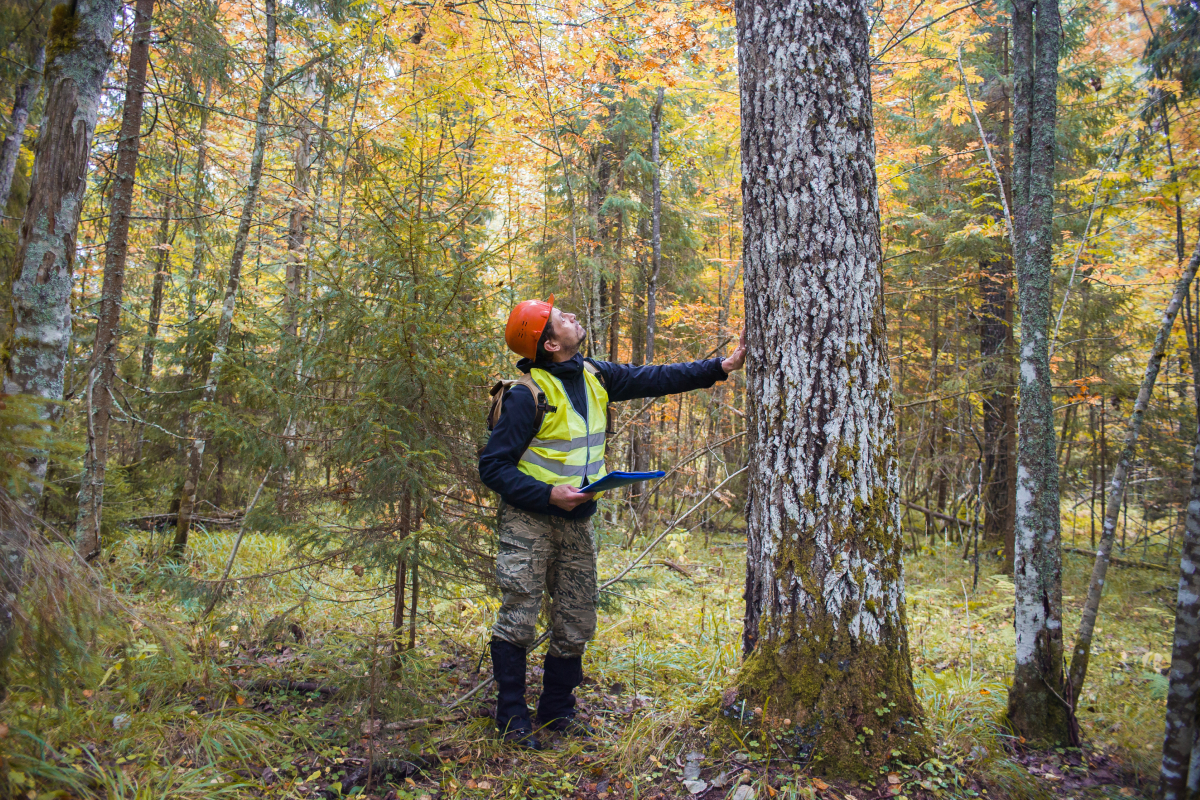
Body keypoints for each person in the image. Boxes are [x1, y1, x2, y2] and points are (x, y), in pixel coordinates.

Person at [478, 295, 746, 748]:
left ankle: (558, 713)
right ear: (549, 345)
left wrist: (721, 366)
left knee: (576, 618)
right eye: (561, 319)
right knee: (519, 614)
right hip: (530, 521)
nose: (572, 318)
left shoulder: (594, 375)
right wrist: (547, 494)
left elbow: (654, 378)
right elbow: (494, 467)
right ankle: (511, 719)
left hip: (577, 521)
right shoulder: (527, 397)